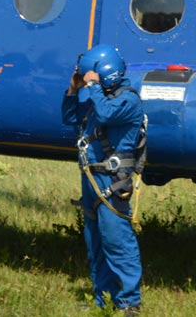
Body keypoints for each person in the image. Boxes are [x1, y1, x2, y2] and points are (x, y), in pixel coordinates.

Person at [61, 45, 144, 315]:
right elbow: (69, 117)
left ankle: (129, 302)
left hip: (112, 182)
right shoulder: (100, 100)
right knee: (94, 242)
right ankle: (103, 298)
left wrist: (94, 87)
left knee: (117, 241)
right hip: (91, 180)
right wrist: (73, 90)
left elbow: (107, 114)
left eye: (89, 75)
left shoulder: (127, 101)